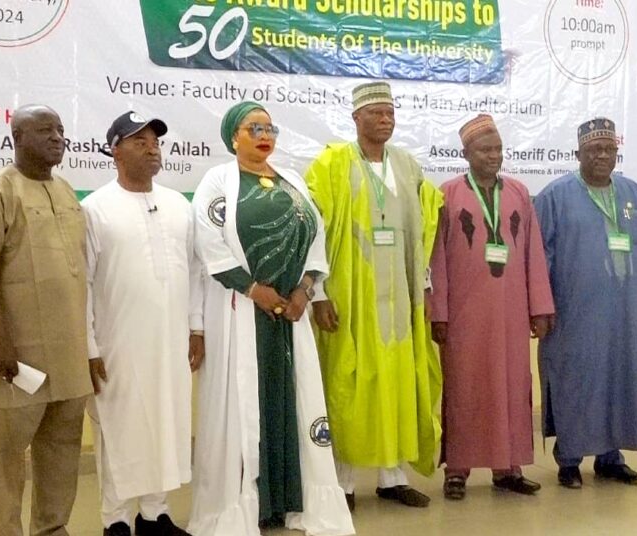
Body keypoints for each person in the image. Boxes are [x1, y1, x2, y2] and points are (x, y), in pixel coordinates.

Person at [188, 101, 354, 536]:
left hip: (290, 316)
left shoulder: (292, 181)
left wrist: (304, 290)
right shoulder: (217, 182)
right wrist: (253, 289)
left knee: (290, 402)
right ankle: (246, 505)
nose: (264, 135)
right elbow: (210, 244)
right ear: (233, 137)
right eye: (253, 127)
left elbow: (316, 241)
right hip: (242, 311)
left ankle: (287, 501)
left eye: (269, 128)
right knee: (245, 405)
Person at [304, 81, 443, 510]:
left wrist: (422, 287)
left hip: (399, 298)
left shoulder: (407, 166)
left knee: (397, 384)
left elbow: (422, 227)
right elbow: (312, 226)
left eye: (390, 112)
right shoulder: (332, 164)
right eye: (375, 113)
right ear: (355, 118)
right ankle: (342, 483)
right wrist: (319, 292)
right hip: (350, 294)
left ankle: (392, 477)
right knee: (350, 385)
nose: (385, 119)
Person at [0, 104, 92, 536]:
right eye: (44, 130)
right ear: (17, 138)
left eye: (60, 129)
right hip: (19, 356)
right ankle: (7, 531)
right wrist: (1, 342)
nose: (57, 137)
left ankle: (52, 528)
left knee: (62, 449)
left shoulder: (68, 191)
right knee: (7, 455)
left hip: (69, 354)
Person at [83, 112, 204, 535]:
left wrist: (197, 327)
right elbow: (81, 285)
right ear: (115, 150)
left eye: (155, 141)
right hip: (117, 346)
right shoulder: (93, 209)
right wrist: (89, 348)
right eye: (139, 141)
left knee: (167, 425)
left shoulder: (178, 205)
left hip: (170, 343)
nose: (152, 148)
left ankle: (155, 515)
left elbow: (194, 273)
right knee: (118, 431)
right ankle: (114, 520)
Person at [428, 114, 555, 500]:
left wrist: (540, 307)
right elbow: (436, 260)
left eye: (498, 149)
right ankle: (458, 470)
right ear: (465, 153)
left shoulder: (517, 192)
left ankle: (508, 468)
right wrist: (439, 313)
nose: (494, 156)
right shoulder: (446, 194)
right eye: (485, 149)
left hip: (512, 313)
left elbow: (534, 253)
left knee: (512, 387)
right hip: (465, 315)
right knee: (464, 389)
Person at [534, 118, 637, 489]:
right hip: (573, 311)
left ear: (617, 153)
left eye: (608, 149)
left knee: (618, 380)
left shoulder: (634, 195)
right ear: (578, 154)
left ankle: (611, 458)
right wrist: (542, 306)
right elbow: (539, 259)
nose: (602, 156)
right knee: (574, 380)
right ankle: (570, 460)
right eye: (594, 150)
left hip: (623, 311)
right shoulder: (554, 197)